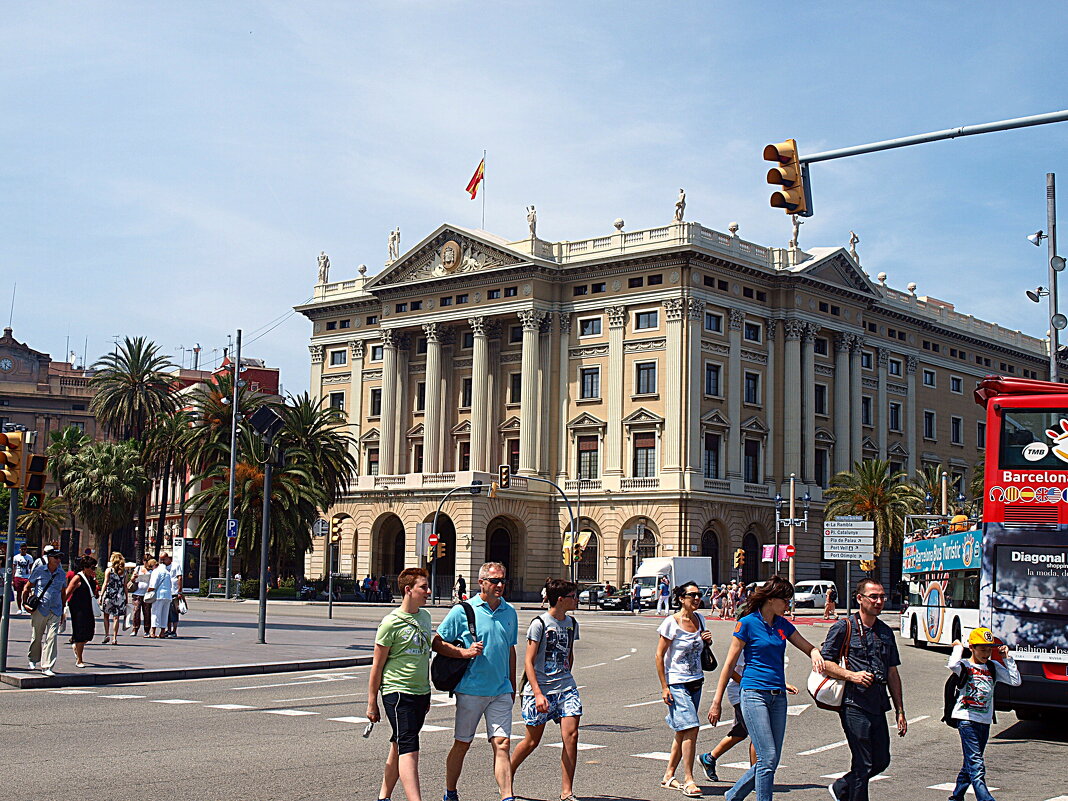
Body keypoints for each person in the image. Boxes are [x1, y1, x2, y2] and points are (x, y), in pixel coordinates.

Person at [708, 576, 826, 801]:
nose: (789, 605)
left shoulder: (782, 625)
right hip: (753, 694)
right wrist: (717, 701)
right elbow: (729, 664)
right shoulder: (748, 623)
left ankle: (733, 795)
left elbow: (806, 646)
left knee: (770, 760)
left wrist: (815, 653)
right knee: (767, 758)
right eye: (786, 600)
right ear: (771, 599)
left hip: (778, 697)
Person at [432, 561, 517, 801]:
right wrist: (464, 653)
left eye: (503, 580)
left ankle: (507, 796)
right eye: (495, 581)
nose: (500, 585)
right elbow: (437, 642)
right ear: (481, 582)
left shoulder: (509, 611)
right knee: (463, 743)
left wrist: (512, 685)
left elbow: (510, 650)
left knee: (502, 744)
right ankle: (450, 791)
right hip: (471, 689)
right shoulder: (463, 610)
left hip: (500, 690)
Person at [820, 579, 907, 801]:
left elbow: (892, 673)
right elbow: (824, 663)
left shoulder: (885, 632)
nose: (879, 601)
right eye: (874, 597)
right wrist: (852, 676)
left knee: (881, 761)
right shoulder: (844, 627)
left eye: (882, 597)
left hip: (878, 703)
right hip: (853, 702)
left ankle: (842, 788)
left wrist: (900, 711)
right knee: (863, 761)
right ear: (860, 599)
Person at [366, 567, 436, 801]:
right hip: (398, 692)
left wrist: (427, 693)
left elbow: (425, 655)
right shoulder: (390, 623)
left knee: (399, 743)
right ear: (408, 590)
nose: (428, 591)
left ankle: (383, 797)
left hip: (420, 691)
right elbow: (377, 665)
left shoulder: (425, 617)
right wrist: (371, 703)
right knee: (409, 746)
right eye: (423, 587)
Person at [511, 580, 582, 801]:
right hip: (540, 690)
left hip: (566, 687)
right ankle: (506, 774)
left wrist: (566, 675)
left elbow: (569, 654)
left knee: (571, 736)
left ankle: (567, 792)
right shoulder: (540, 624)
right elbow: (529, 662)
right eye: (573, 596)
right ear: (560, 599)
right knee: (532, 741)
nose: (576, 599)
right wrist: (538, 693)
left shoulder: (571, 623)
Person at [944, 629, 1021, 801]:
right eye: (982, 649)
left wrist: (1007, 658)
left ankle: (956, 797)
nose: (986, 653)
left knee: (971, 762)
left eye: (989, 649)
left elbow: (1015, 681)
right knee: (977, 764)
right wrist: (958, 647)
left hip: (984, 720)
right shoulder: (964, 665)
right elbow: (952, 664)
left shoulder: (992, 667)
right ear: (972, 648)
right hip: (966, 719)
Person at [698, 653, 798, 782]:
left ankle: (709, 758)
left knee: (741, 731)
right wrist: (751, 683)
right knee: (758, 733)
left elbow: (765, 671)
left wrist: (781, 684)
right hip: (742, 692)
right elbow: (731, 671)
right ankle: (756, 778)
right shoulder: (745, 643)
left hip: (759, 691)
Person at [656, 582, 713, 797]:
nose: (697, 598)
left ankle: (669, 775)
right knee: (692, 727)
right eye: (692, 595)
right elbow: (659, 656)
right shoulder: (671, 623)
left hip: (696, 680)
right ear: (681, 598)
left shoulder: (700, 619)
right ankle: (689, 778)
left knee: (683, 730)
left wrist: (708, 640)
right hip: (677, 682)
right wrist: (664, 687)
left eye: (699, 595)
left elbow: (700, 649)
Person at [21, 549, 67, 676]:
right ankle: (33, 658)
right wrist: (25, 604)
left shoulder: (62, 574)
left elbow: (63, 593)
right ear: (49, 558)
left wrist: (63, 610)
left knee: (52, 637)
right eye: (56, 557)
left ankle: (47, 666)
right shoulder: (39, 570)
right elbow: (27, 588)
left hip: (56, 609)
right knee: (37, 636)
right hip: (41, 608)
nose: (58, 560)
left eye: (60, 558)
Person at [64, 556, 98, 668]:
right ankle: (79, 659)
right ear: (85, 567)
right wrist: (61, 605)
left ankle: (76, 647)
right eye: (92, 567)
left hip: (88, 607)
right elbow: (67, 592)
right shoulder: (77, 578)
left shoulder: (91, 578)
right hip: (77, 607)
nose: (94, 570)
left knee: (89, 632)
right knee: (80, 632)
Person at [99, 552, 129, 644]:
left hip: (109, 595)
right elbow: (125, 586)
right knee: (116, 617)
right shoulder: (124, 572)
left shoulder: (109, 570)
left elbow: (105, 583)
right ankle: (114, 637)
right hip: (119, 596)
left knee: (106, 615)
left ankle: (107, 634)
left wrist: (101, 595)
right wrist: (126, 597)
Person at [148, 553, 174, 638]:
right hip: (168, 595)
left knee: (155, 613)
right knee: (164, 614)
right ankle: (162, 632)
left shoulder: (156, 572)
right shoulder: (167, 572)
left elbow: (153, 585)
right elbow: (171, 584)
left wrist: (148, 591)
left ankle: (153, 632)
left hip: (158, 595)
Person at [129, 554, 152, 636]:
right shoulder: (138, 568)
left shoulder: (152, 570)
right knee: (136, 611)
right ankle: (135, 628)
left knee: (147, 612)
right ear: (143, 561)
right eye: (146, 561)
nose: (147, 564)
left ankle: (147, 630)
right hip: (137, 593)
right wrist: (134, 577)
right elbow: (132, 579)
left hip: (147, 594)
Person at [12, 543, 34, 614]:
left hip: (26, 577)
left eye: (25, 549)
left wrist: (31, 577)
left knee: (26, 591)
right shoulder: (16, 557)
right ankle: (19, 608)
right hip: (18, 576)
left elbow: (31, 568)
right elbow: (13, 567)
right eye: (22, 549)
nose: (23, 551)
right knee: (19, 593)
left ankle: (24, 605)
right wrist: (12, 578)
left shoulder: (29, 557)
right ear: (20, 549)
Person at [166, 553, 183, 638]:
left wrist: (179, 591)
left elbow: (180, 577)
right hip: (166, 593)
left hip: (174, 592)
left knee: (174, 612)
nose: (162, 561)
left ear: (169, 558)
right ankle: (168, 630)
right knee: (167, 613)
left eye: (164, 559)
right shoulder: (162, 567)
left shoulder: (176, 566)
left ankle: (174, 631)